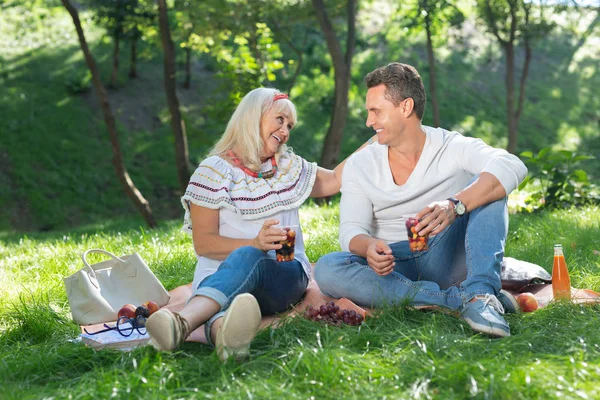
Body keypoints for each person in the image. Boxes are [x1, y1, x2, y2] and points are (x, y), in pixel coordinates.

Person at [146, 88, 372, 360]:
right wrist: (254, 243)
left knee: (247, 255)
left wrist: (379, 138)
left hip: (283, 276)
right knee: (225, 302)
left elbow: (335, 180)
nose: (286, 131)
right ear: (253, 117)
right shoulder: (212, 171)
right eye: (280, 119)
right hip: (218, 277)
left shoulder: (288, 167)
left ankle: (181, 323)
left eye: (289, 125)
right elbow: (204, 243)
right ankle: (225, 338)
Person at [314, 62, 528, 338]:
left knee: (490, 185)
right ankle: (466, 300)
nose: (369, 122)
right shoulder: (360, 164)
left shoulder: (450, 146)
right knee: (329, 268)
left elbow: (511, 165)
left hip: (446, 255)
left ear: (405, 108)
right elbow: (350, 231)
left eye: (375, 111)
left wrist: (455, 205)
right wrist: (368, 248)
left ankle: (479, 294)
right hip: (393, 267)